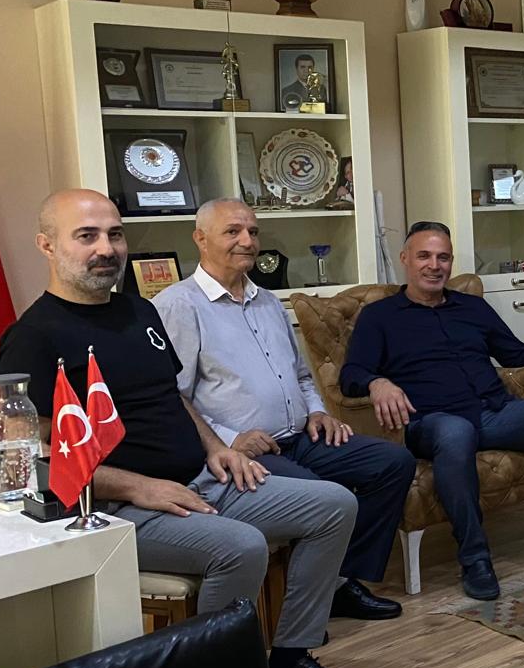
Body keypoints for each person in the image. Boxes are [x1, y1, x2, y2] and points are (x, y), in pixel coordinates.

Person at [0, 190, 370, 668]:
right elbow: (34, 460)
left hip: (200, 479)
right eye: (86, 236)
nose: (106, 249)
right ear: (47, 245)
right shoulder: (34, 336)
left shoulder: (139, 311)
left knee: (334, 505)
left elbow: (173, 396)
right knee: (240, 547)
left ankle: (290, 656)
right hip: (113, 508)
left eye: (115, 234)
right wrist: (138, 486)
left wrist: (217, 447)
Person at [154, 198, 414, 622]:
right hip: (243, 453)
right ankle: (307, 601)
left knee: (392, 462)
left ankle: (339, 581)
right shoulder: (178, 306)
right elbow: (173, 395)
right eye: (233, 231)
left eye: (253, 232)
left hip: (301, 435)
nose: (247, 241)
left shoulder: (269, 301)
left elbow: (301, 375)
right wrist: (227, 441)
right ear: (200, 239)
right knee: (321, 495)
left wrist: (317, 412)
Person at [339, 221, 524, 601]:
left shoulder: (473, 307)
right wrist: (377, 382)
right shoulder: (380, 316)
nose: (434, 265)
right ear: (405, 259)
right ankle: (474, 558)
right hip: (430, 421)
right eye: (424, 256)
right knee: (456, 431)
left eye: (443, 257)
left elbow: (515, 352)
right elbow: (350, 375)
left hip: (493, 412)